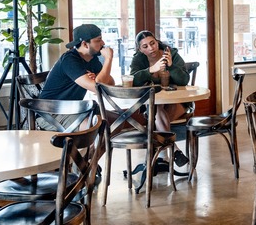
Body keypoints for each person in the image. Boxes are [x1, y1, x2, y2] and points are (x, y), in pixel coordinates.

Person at [130, 30, 191, 167]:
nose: (151, 48)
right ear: (139, 49)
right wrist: (150, 70)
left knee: (154, 115)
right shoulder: (139, 59)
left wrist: (172, 66)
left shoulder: (170, 54)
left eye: (153, 43)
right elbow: (132, 80)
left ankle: (161, 158)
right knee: (155, 108)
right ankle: (173, 151)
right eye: (145, 46)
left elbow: (184, 80)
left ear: (157, 41)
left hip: (177, 102)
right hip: (153, 105)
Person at [38, 24, 115, 130]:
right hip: (51, 113)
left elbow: (110, 83)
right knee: (92, 127)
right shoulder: (70, 60)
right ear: (85, 44)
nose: (103, 43)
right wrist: (108, 59)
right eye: (98, 40)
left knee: (116, 121)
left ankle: (96, 147)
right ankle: (88, 146)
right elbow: (97, 87)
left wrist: (98, 76)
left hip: (74, 109)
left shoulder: (92, 59)